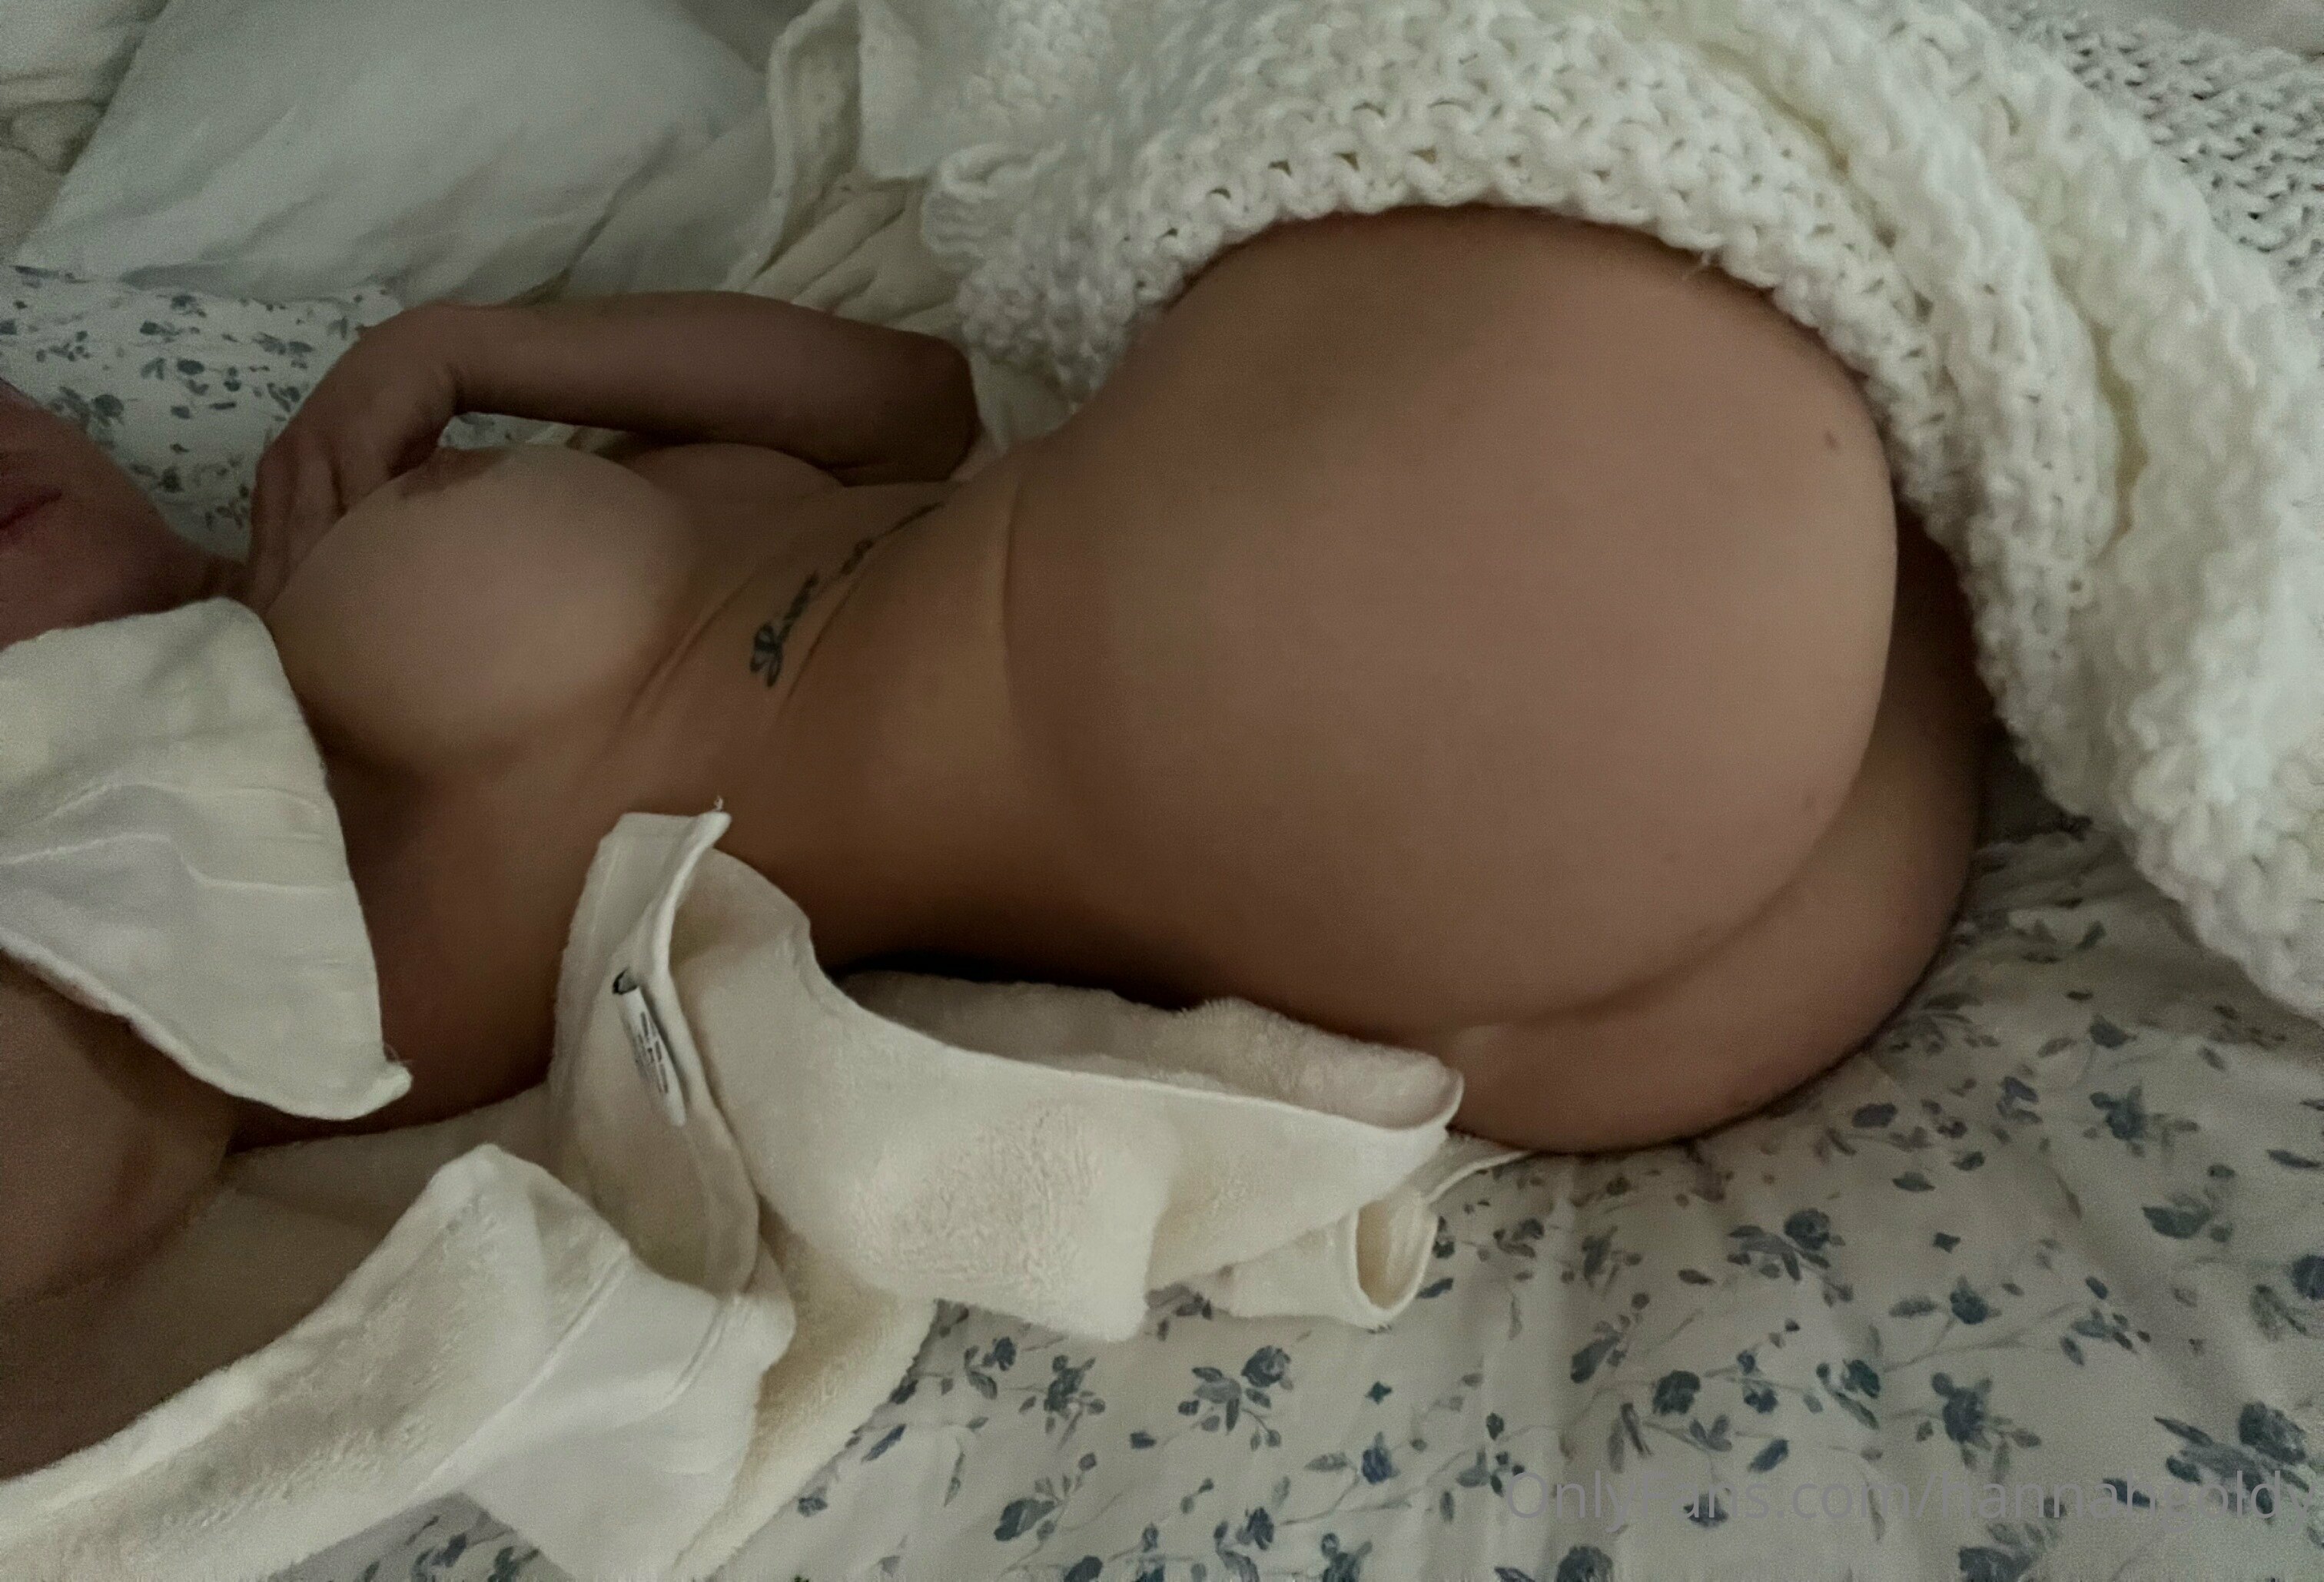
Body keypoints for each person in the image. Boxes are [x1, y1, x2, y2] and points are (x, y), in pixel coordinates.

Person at [0, 204, 1994, 1404]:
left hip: (1564, 845)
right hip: (1272, 695)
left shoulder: (335, 546)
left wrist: (471, 342)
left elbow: (925, 411)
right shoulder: (141, 871)